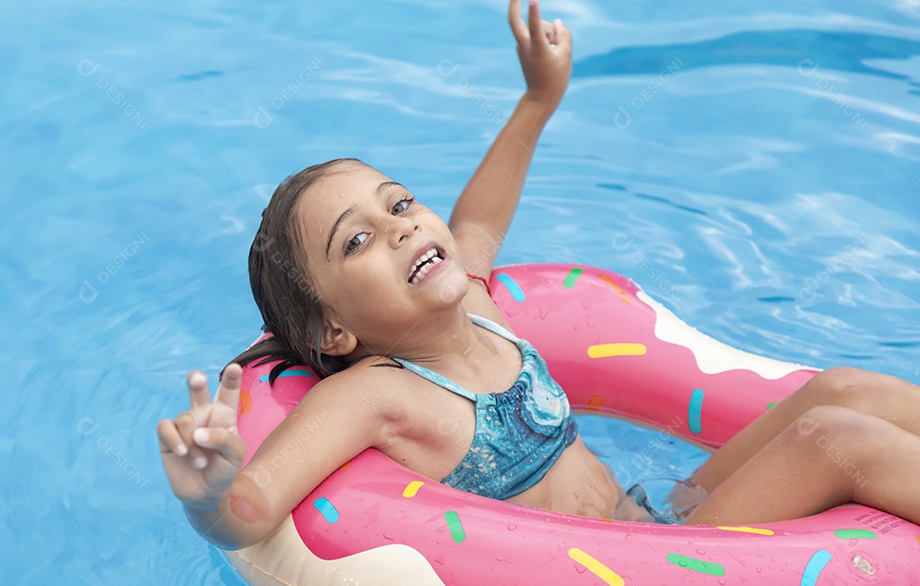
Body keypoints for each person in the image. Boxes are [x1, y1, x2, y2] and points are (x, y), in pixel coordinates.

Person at [157, 0, 920, 549]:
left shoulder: (485, 315)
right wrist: (212, 493)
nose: (401, 226)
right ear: (334, 326)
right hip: (645, 568)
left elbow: (479, 224)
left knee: (844, 388)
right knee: (831, 438)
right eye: (358, 241)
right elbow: (253, 511)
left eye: (401, 203)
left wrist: (538, 98)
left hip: (662, 515)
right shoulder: (378, 392)